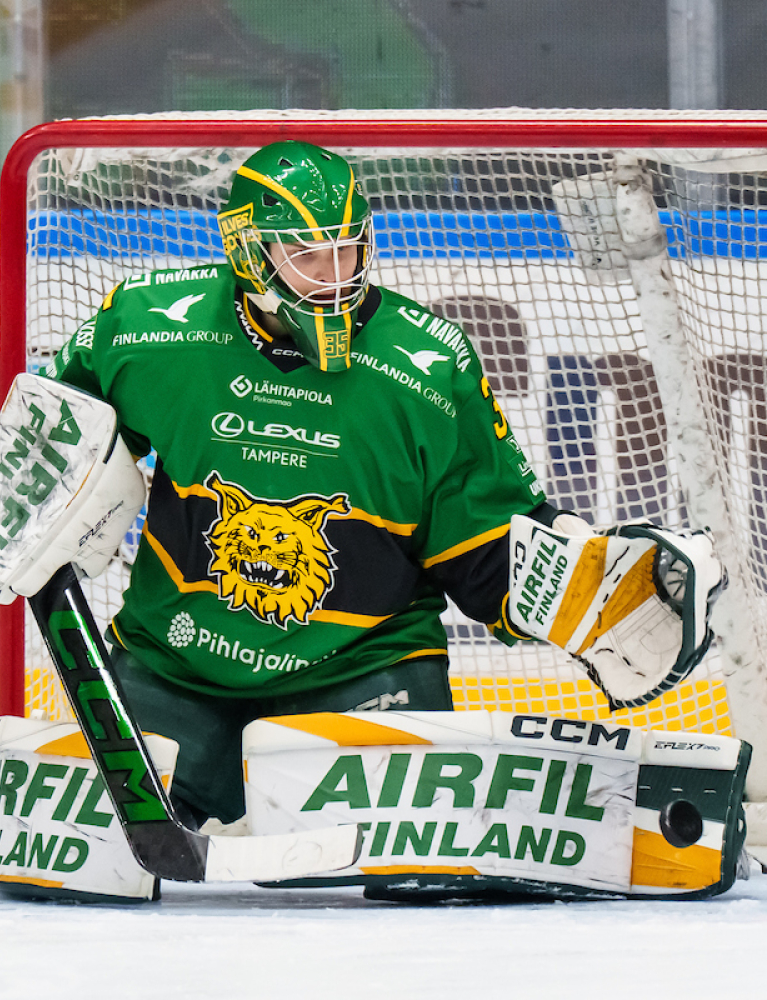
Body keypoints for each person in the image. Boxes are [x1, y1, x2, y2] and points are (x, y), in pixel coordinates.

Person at [40, 140, 557, 830]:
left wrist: (576, 594)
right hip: (176, 664)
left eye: (346, 250)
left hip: (364, 671)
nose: (335, 275)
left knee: (394, 868)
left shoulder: (428, 364)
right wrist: (16, 516)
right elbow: (59, 440)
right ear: (252, 254)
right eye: (308, 256)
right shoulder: (150, 326)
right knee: (92, 848)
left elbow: (481, 531)